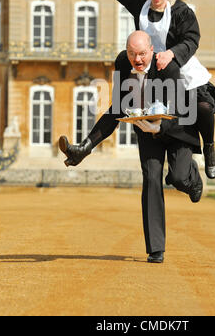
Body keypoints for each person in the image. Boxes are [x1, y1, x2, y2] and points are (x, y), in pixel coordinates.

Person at [59, 31, 203, 263]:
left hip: (177, 129)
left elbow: (183, 112)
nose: (137, 60)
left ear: (152, 51)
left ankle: (190, 176)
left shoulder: (168, 67)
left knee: (177, 177)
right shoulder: (122, 64)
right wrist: (87, 145)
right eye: (132, 54)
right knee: (151, 178)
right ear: (126, 52)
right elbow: (118, 108)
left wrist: (159, 128)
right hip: (146, 129)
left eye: (142, 54)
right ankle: (156, 248)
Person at [95, 0, 215, 179]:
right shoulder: (140, 4)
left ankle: (208, 148)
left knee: (205, 109)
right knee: (135, 111)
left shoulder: (182, 11)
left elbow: (192, 38)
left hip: (181, 70)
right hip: (153, 75)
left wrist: (172, 53)